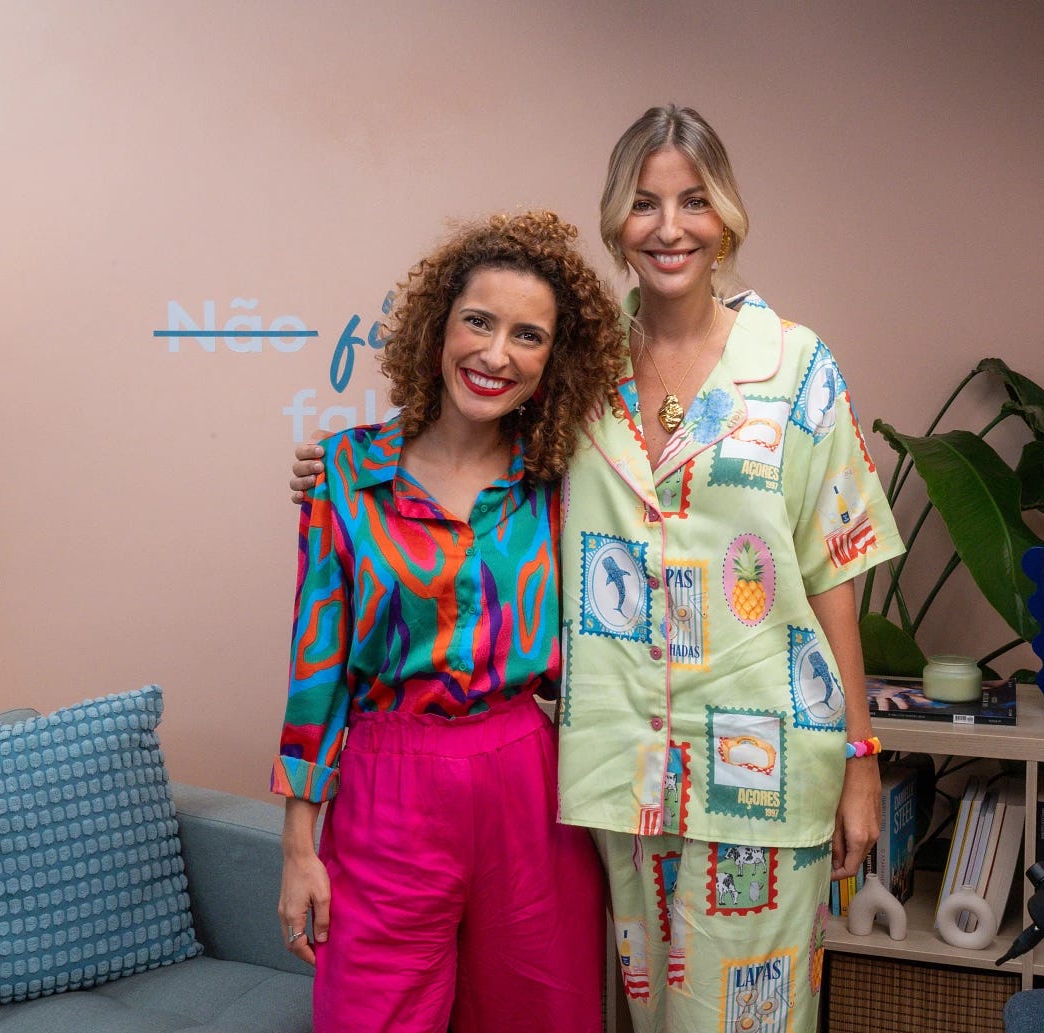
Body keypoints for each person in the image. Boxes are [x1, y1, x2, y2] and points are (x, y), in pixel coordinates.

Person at [291, 106, 904, 1033]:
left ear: (727, 214)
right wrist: (340, 467)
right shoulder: (578, 371)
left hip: (768, 770)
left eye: (694, 201)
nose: (669, 227)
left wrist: (862, 757)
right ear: (616, 219)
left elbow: (834, 572)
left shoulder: (796, 365)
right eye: (644, 203)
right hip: (622, 778)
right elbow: (464, 435)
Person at [272, 210, 623, 1033]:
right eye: (479, 321)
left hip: (529, 788)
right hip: (387, 787)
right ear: (438, 327)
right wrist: (297, 845)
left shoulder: (567, 483)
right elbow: (316, 668)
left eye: (529, 336)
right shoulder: (346, 473)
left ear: (554, 360)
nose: (496, 354)